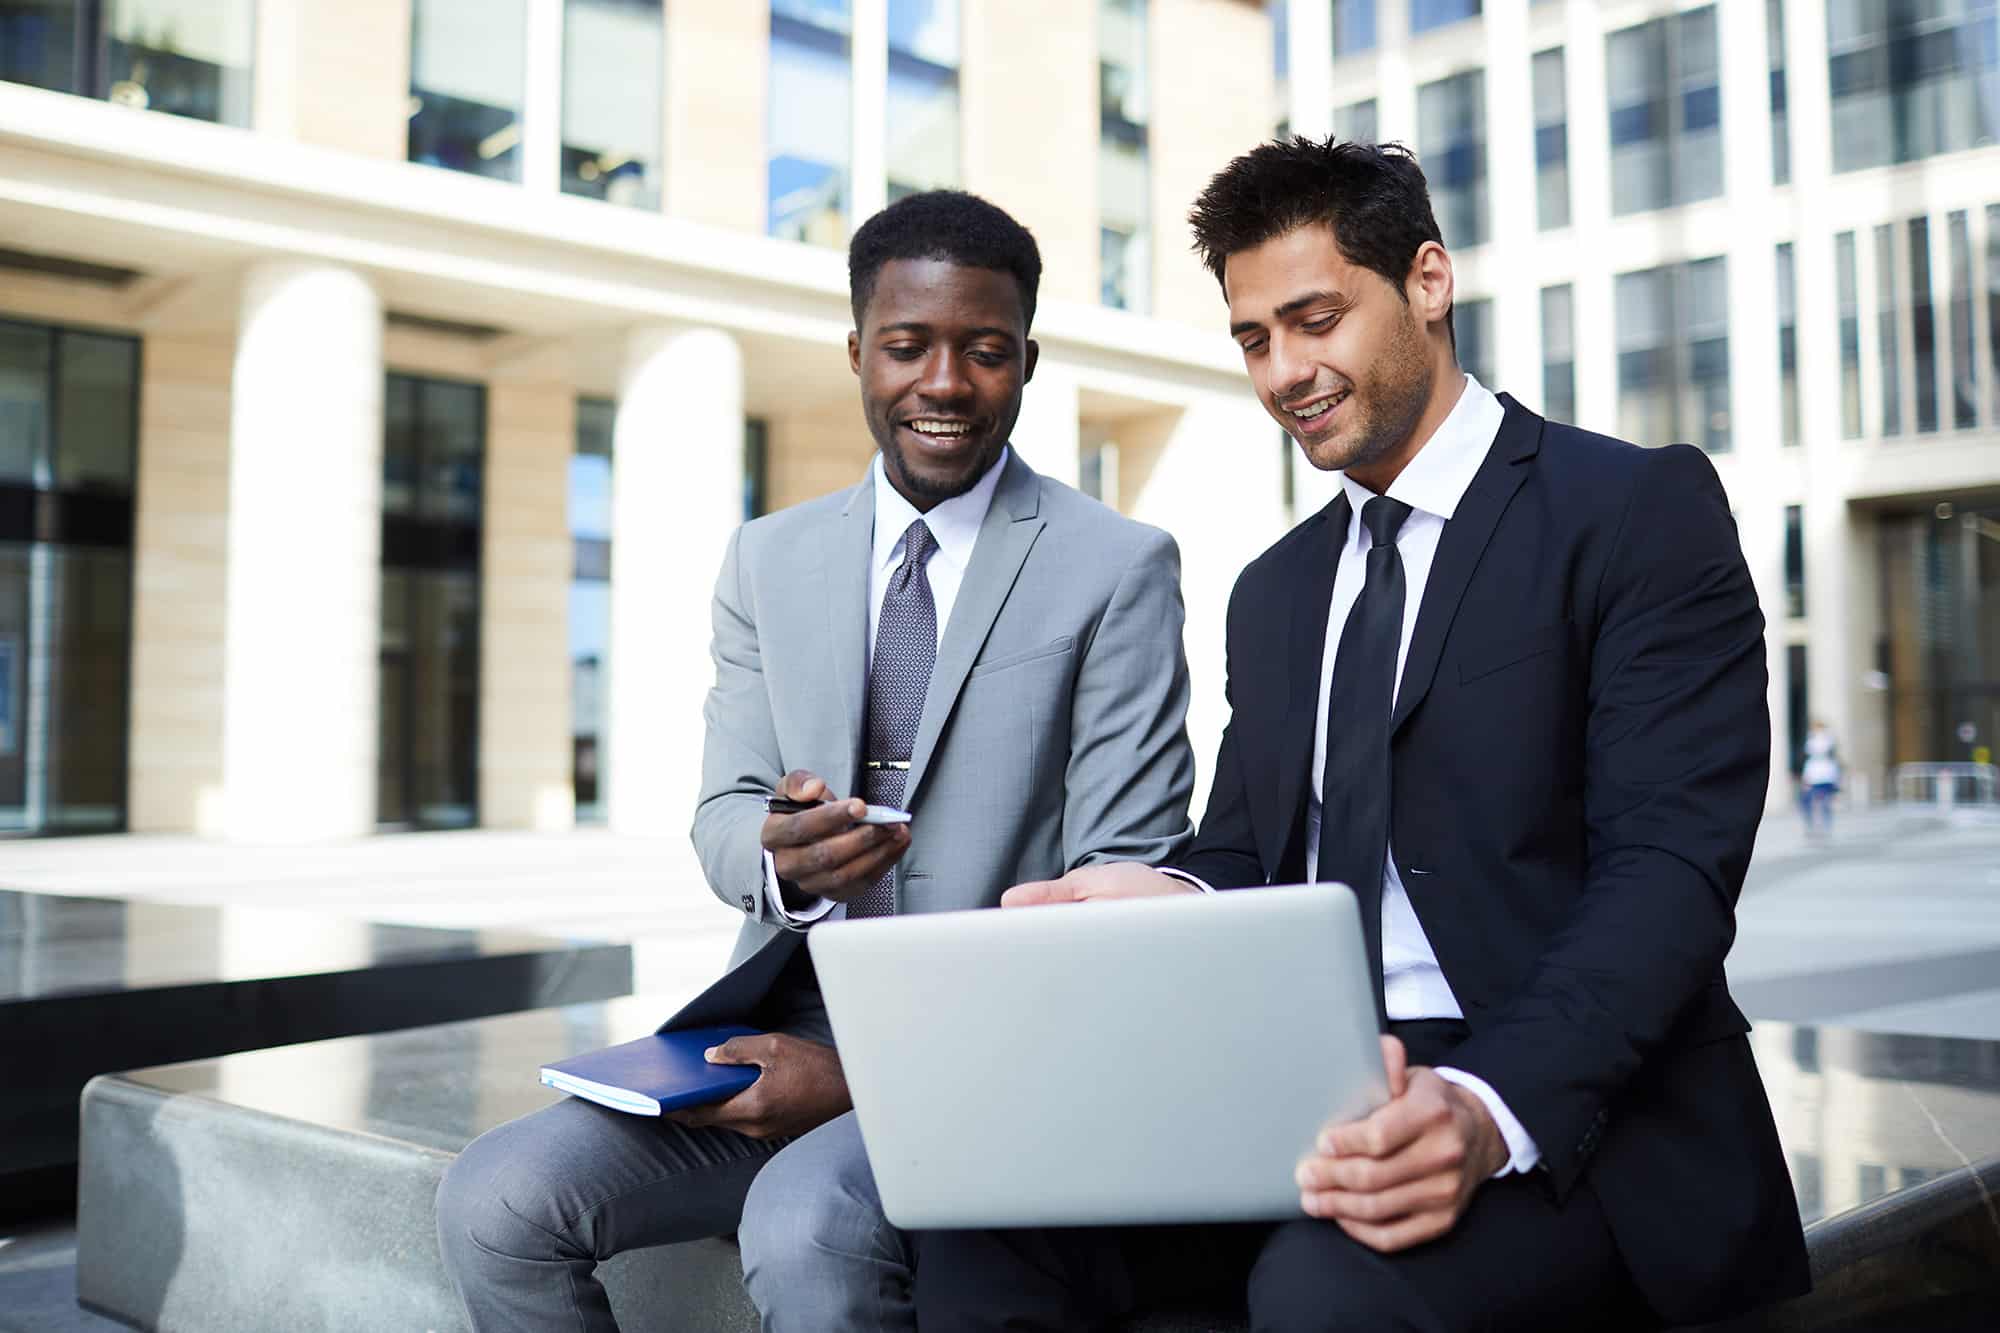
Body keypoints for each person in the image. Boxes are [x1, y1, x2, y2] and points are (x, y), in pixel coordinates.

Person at [909, 138, 1812, 1331]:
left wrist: (1487, 1105)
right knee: (983, 1234)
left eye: (1315, 317)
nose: (1285, 370)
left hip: (1571, 1105)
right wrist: (1161, 884)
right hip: (1300, 1077)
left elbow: (1669, 876)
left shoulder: (1634, 509)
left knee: (1324, 1287)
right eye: (1252, 338)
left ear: (1427, 281)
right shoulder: (1278, 589)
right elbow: (1246, 846)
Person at [432, 189, 1197, 1332]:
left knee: (805, 1226)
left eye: (984, 351)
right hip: (770, 1028)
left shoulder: (1116, 565)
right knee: (492, 1199)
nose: (942, 383)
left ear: (1025, 362)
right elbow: (724, 813)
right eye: (906, 346)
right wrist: (781, 860)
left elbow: (1122, 882)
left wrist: (866, 1076)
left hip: (990, 1055)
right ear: (856, 353)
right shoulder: (767, 557)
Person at [1800, 719, 1841, 834]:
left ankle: (1825, 826)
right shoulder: (1811, 741)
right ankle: (1812, 826)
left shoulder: (1827, 740)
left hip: (1825, 776)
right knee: (1809, 801)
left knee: (1825, 804)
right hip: (1814, 776)